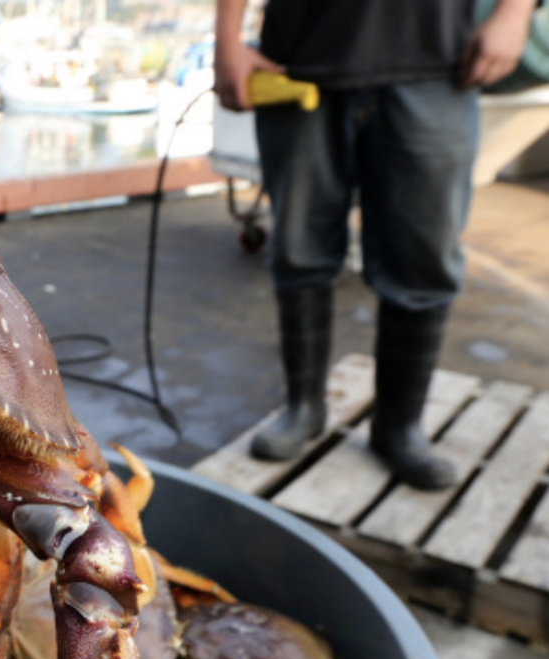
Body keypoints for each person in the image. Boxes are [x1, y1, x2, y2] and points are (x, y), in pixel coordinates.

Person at [213, 0, 537, 489]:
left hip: (437, 63)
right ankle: (304, 408)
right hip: (300, 62)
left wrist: (515, 11)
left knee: (425, 263)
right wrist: (227, 41)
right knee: (299, 252)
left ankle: (400, 428)